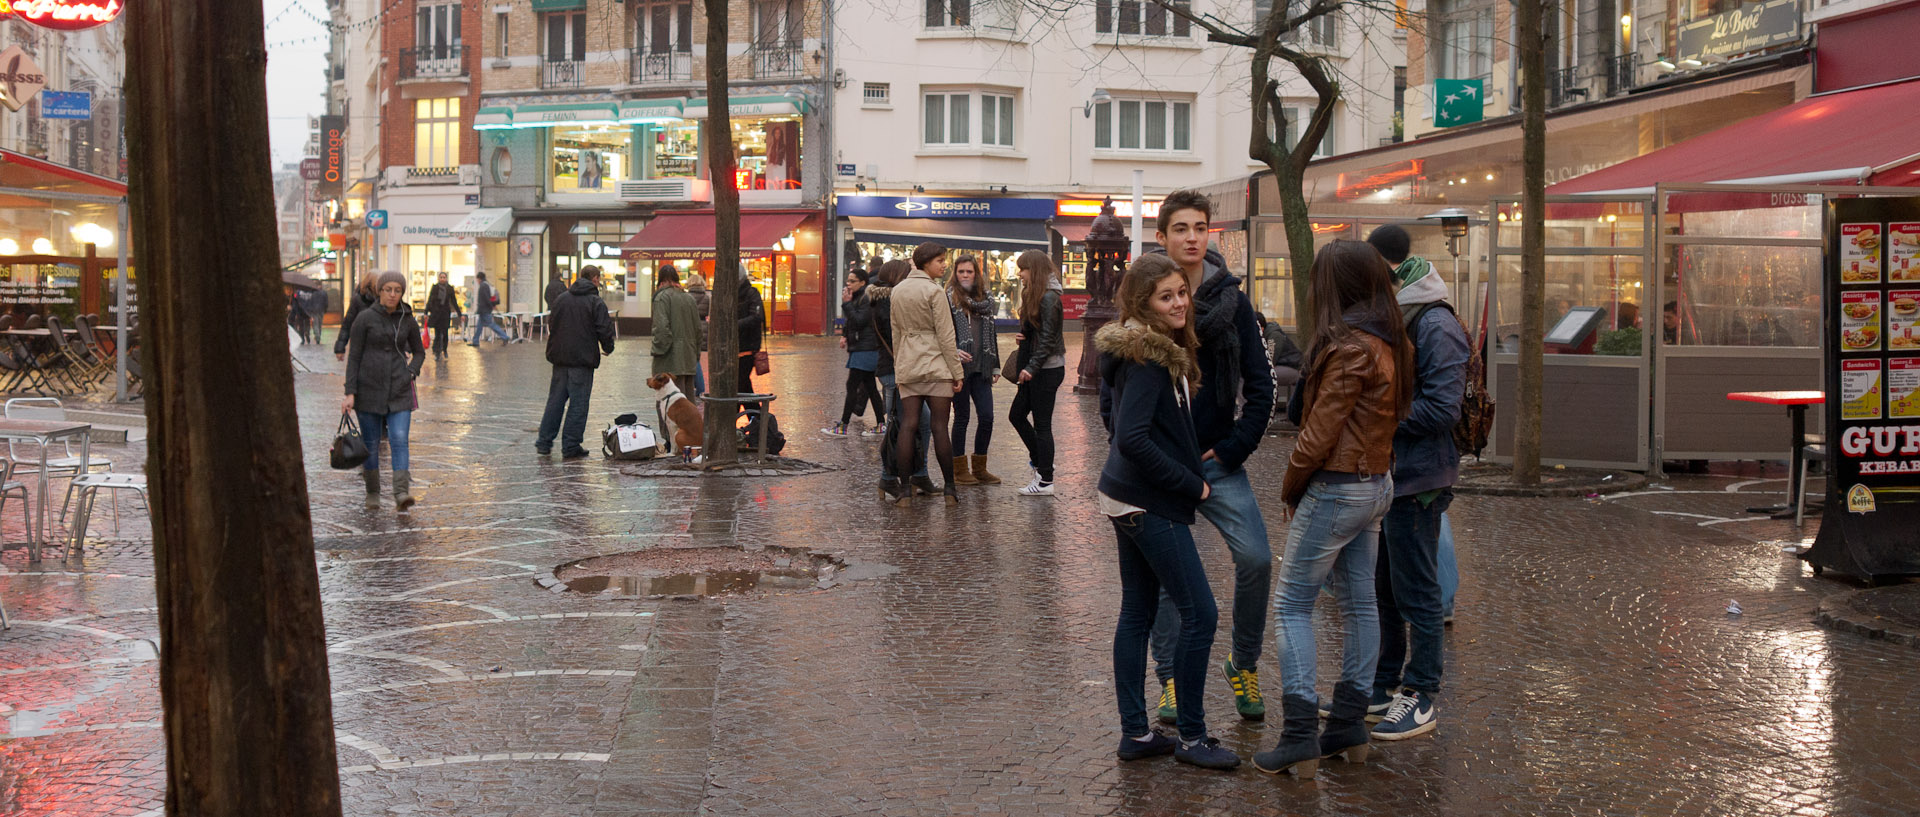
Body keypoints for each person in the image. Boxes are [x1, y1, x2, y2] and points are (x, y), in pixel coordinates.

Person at [1251, 240, 1411, 778]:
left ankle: (1299, 736)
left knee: (1292, 606)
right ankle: (1347, 724)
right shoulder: (1391, 340)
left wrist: (1290, 490)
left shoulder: (1349, 348)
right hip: (1376, 484)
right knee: (1360, 603)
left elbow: (1317, 437)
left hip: (1338, 486)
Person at [1138, 190, 1276, 726]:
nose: (1192, 237)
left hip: (1219, 460)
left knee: (1257, 559)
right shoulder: (1144, 298)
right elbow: (1118, 390)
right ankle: (1170, 680)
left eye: (1200, 227)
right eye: (1180, 228)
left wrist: (1239, 443)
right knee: (1172, 579)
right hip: (1162, 465)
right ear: (1162, 237)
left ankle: (1242, 663)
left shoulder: (1232, 302)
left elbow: (1262, 386)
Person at [1096, 253, 1238, 771]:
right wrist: (1191, 485)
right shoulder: (1149, 357)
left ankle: (1136, 733)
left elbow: (1118, 422)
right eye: (1166, 296)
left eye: (1182, 292)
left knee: (1138, 611)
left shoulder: (1147, 349)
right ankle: (1194, 738)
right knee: (1201, 613)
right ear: (1142, 304)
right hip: (1147, 501)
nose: (1180, 303)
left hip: (1124, 495)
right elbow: (1131, 437)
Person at [1364, 224, 1468, 743]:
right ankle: (1384, 685)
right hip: (1396, 474)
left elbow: (1443, 407)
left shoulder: (1433, 322)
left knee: (1418, 591)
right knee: (1386, 589)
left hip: (1419, 478)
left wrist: (1377, 416)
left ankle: (1422, 693)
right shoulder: (1400, 313)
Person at [884, 243, 964, 505]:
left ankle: (905, 491)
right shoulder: (934, 291)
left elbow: (895, 332)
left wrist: (900, 365)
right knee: (940, 427)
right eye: (940, 261)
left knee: (908, 424)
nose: (944, 265)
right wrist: (957, 372)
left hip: (909, 364)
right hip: (936, 364)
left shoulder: (897, 291)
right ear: (926, 263)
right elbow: (946, 335)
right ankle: (950, 490)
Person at [342, 271, 426, 511]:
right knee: (371, 442)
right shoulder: (365, 318)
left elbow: (419, 351)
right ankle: (373, 493)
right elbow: (354, 356)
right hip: (369, 389)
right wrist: (350, 392)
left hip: (400, 389)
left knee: (399, 439)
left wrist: (412, 371)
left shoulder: (407, 319)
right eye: (388, 289)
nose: (392, 294)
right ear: (379, 291)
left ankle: (401, 493)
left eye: (397, 290)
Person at [536, 265, 616, 458]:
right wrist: (608, 347)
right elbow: (604, 329)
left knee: (555, 401)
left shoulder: (561, 299)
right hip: (582, 360)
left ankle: (544, 442)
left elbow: (552, 325)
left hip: (560, 358)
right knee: (578, 404)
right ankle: (571, 445)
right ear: (595, 279)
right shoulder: (595, 302)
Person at [1008, 250, 1066, 496]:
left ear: (1036, 270)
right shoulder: (1033, 293)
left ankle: (1045, 481)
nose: (1020, 274)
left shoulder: (1050, 297)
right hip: (1034, 366)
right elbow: (1039, 331)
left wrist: (1031, 367)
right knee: (1017, 415)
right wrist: (1026, 334)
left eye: (1024, 269)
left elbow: (1049, 339)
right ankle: (1042, 462)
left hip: (1046, 368)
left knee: (1042, 424)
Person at [871, 261, 932, 492]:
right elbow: (900, 336)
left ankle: (918, 473)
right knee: (901, 424)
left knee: (915, 422)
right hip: (895, 371)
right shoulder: (888, 302)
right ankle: (890, 477)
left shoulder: (886, 300)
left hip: (897, 370)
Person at [947, 253, 1001, 485]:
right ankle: (959, 470)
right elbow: (942, 332)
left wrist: (996, 363)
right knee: (962, 418)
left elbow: (992, 333)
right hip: (959, 368)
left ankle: (980, 468)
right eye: (961, 272)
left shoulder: (986, 300)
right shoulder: (949, 298)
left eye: (969, 271)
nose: (965, 276)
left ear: (976, 274)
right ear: (955, 274)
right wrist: (952, 353)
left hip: (982, 367)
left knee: (987, 417)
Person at [827, 268, 884, 437]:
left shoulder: (866, 298)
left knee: (852, 386)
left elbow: (859, 321)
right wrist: (845, 335)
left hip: (865, 349)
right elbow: (853, 321)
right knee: (870, 388)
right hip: (861, 348)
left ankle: (843, 425)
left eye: (852, 281)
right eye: (848, 281)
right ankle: (881, 423)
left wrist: (846, 304)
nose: (848, 284)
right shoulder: (859, 297)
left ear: (862, 282)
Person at [651, 266, 699, 386]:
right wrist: (695, 354)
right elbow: (698, 330)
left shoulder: (661, 298)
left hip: (669, 361)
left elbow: (661, 329)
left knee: (670, 400)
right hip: (688, 358)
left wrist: (657, 350)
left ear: (661, 282)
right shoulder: (689, 298)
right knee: (686, 400)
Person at [736, 267, 766, 417]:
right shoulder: (733, 295)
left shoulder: (751, 293)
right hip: (737, 348)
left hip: (748, 348)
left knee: (740, 387)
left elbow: (757, 317)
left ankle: (758, 422)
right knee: (743, 387)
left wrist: (736, 324)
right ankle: (759, 423)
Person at [334, 272, 378, 361]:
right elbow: (347, 324)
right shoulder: (358, 300)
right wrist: (340, 347)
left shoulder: (384, 301)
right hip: (361, 345)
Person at [424, 271, 462, 360]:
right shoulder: (435, 288)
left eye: (444, 277)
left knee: (445, 333)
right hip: (436, 313)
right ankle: (437, 352)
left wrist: (459, 314)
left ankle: (444, 350)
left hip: (445, 313)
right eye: (441, 277)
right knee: (437, 333)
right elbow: (430, 300)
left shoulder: (449, 288)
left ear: (446, 278)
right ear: (438, 278)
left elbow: (454, 301)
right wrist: (426, 312)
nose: (442, 279)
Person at [468, 272, 510, 346]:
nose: (477, 281)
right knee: (479, 326)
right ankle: (475, 341)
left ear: (479, 278)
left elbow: (486, 298)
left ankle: (505, 336)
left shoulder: (483, 286)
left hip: (484, 310)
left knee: (491, 325)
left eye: (477, 279)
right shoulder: (486, 284)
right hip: (484, 310)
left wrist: (490, 306)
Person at [686, 271, 710, 396]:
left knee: (693, 359)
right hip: (703, 327)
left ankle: (699, 388)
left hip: (689, 326)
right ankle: (698, 387)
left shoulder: (686, 297)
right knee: (697, 357)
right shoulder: (707, 297)